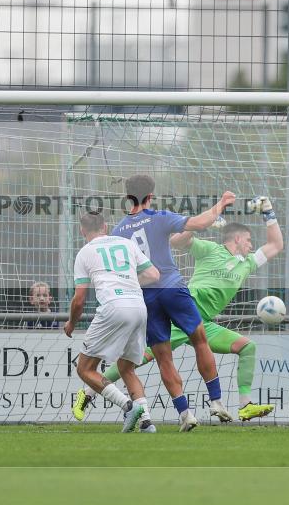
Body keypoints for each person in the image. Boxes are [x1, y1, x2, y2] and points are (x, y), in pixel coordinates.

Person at [77, 197, 283, 422]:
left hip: (206, 321)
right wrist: (201, 225)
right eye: (249, 240)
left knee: (247, 347)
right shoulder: (212, 250)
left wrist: (269, 213)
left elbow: (276, 245)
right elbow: (177, 241)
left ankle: (245, 405)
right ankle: (88, 392)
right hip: (183, 311)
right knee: (135, 360)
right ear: (237, 238)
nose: (251, 245)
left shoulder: (247, 263)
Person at [73, 174, 235, 431]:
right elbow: (200, 222)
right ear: (151, 196)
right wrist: (221, 204)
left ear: (128, 197)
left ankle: (185, 414)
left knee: (163, 358)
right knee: (200, 339)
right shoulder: (160, 217)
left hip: (145, 297)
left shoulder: (118, 232)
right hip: (171, 287)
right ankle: (216, 401)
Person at [64, 213, 161, 433]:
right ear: (105, 227)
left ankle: (128, 407)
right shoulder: (126, 243)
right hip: (138, 307)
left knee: (85, 369)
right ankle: (146, 423)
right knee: (127, 368)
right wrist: (129, 282)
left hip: (114, 307)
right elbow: (154, 274)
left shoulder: (85, 252)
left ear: (82, 230)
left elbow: (79, 299)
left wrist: (71, 324)